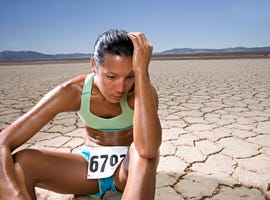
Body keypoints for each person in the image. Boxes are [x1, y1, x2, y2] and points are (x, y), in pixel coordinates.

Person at [0, 29, 162, 200]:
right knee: (21, 163)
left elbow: (148, 149)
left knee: (141, 153)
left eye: (129, 77)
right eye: (111, 77)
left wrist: (142, 74)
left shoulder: (143, 91)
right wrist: (16, 195)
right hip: (86, 172)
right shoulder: (74, 92)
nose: (121, 88)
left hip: (128, 172)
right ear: (93, 65)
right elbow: (3, 141)